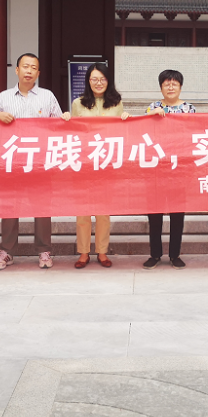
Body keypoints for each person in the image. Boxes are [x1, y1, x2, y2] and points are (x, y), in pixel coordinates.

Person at [0, 53, 63, 270]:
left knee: (42, 207)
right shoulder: (3, 98)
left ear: (38, 73)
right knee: (10, 207)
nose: (29, 71)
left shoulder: (47, 96)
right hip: (12, 161)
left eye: (33, 67)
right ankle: (7, 251)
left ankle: (44, 250)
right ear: (17, 70)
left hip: (40, 162)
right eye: (25, 66)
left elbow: (58, 126)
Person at [63, 62, 129, 268]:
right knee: (82, 212)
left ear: (108, 81)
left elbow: (121, 133)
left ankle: (102, 252)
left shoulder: (116, 103)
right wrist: (66, 118)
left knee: (103, 212)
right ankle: (83, 252)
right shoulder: (78, 103)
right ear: (88, 81)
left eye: (102, 79)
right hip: (84, 163)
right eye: (94, 79)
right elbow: (72, 132)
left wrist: (126, 119)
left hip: (106, 164)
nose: (98, 83)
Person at [142, 69, 195, 270]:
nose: (170, 87)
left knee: (177, 214)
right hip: (156, 169)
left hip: (179, 170)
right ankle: (155, 254)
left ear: (180, 87)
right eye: (166, 83)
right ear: (161, 87)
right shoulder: (152, 107)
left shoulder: (189, 109)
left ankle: (175, 254)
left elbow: (194, 135)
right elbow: (142, 131)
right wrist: (151, 115)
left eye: (174, 84)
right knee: (154, 214)